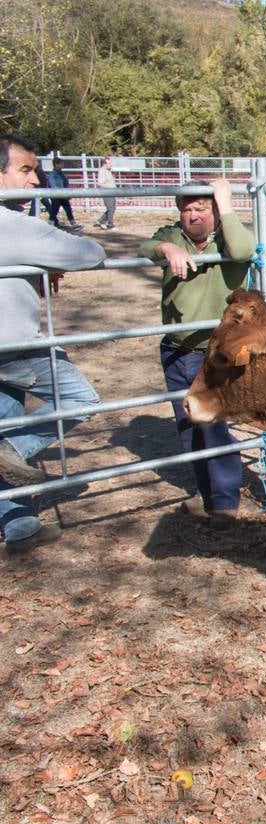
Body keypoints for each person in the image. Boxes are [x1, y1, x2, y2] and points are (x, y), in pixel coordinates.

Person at [0, 133, 105, 553]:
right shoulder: (15, 226)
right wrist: (41, 258)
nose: (35, 182)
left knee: (8, 413)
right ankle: (11, 448)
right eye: (25, 170)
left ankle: (20, 524)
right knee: (81, 398)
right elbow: (91, 252)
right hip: (13, 346)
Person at [139, 179, 252, 528]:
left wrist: (226, 202)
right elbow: (146, 246)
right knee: (187, 424)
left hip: (215, 352)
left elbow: (244, 250)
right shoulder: (174, 236)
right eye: (186, 209)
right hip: (175, 347)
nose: (192, 215)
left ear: (216, 211)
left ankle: (224, 502)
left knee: (213, 424)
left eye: (201, 208)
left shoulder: (227, 238)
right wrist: (166, 250)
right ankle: (205, 494)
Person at [45, 157, 78, 230]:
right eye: (61, 164)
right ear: (56, 164)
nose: (63, 165)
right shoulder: (52, 174)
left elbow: (66, 183)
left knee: (68, 209)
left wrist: (67, 192)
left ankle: (74, 224)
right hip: (56, 195)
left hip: (63, 194)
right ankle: (50, 225)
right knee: (55, 210)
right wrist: (58, 192)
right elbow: (52, 185)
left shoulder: (61, 173)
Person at [94, 158, 116, 229]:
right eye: (109, 163)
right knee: (111, 208)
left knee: (112, 208)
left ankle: (101, 220)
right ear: (104, 164)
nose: (110, 165)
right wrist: (109, 188)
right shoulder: (102, 171)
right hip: (107, 192)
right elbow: (100, 183)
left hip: (111, 192)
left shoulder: (107, 171)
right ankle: (110, 224)